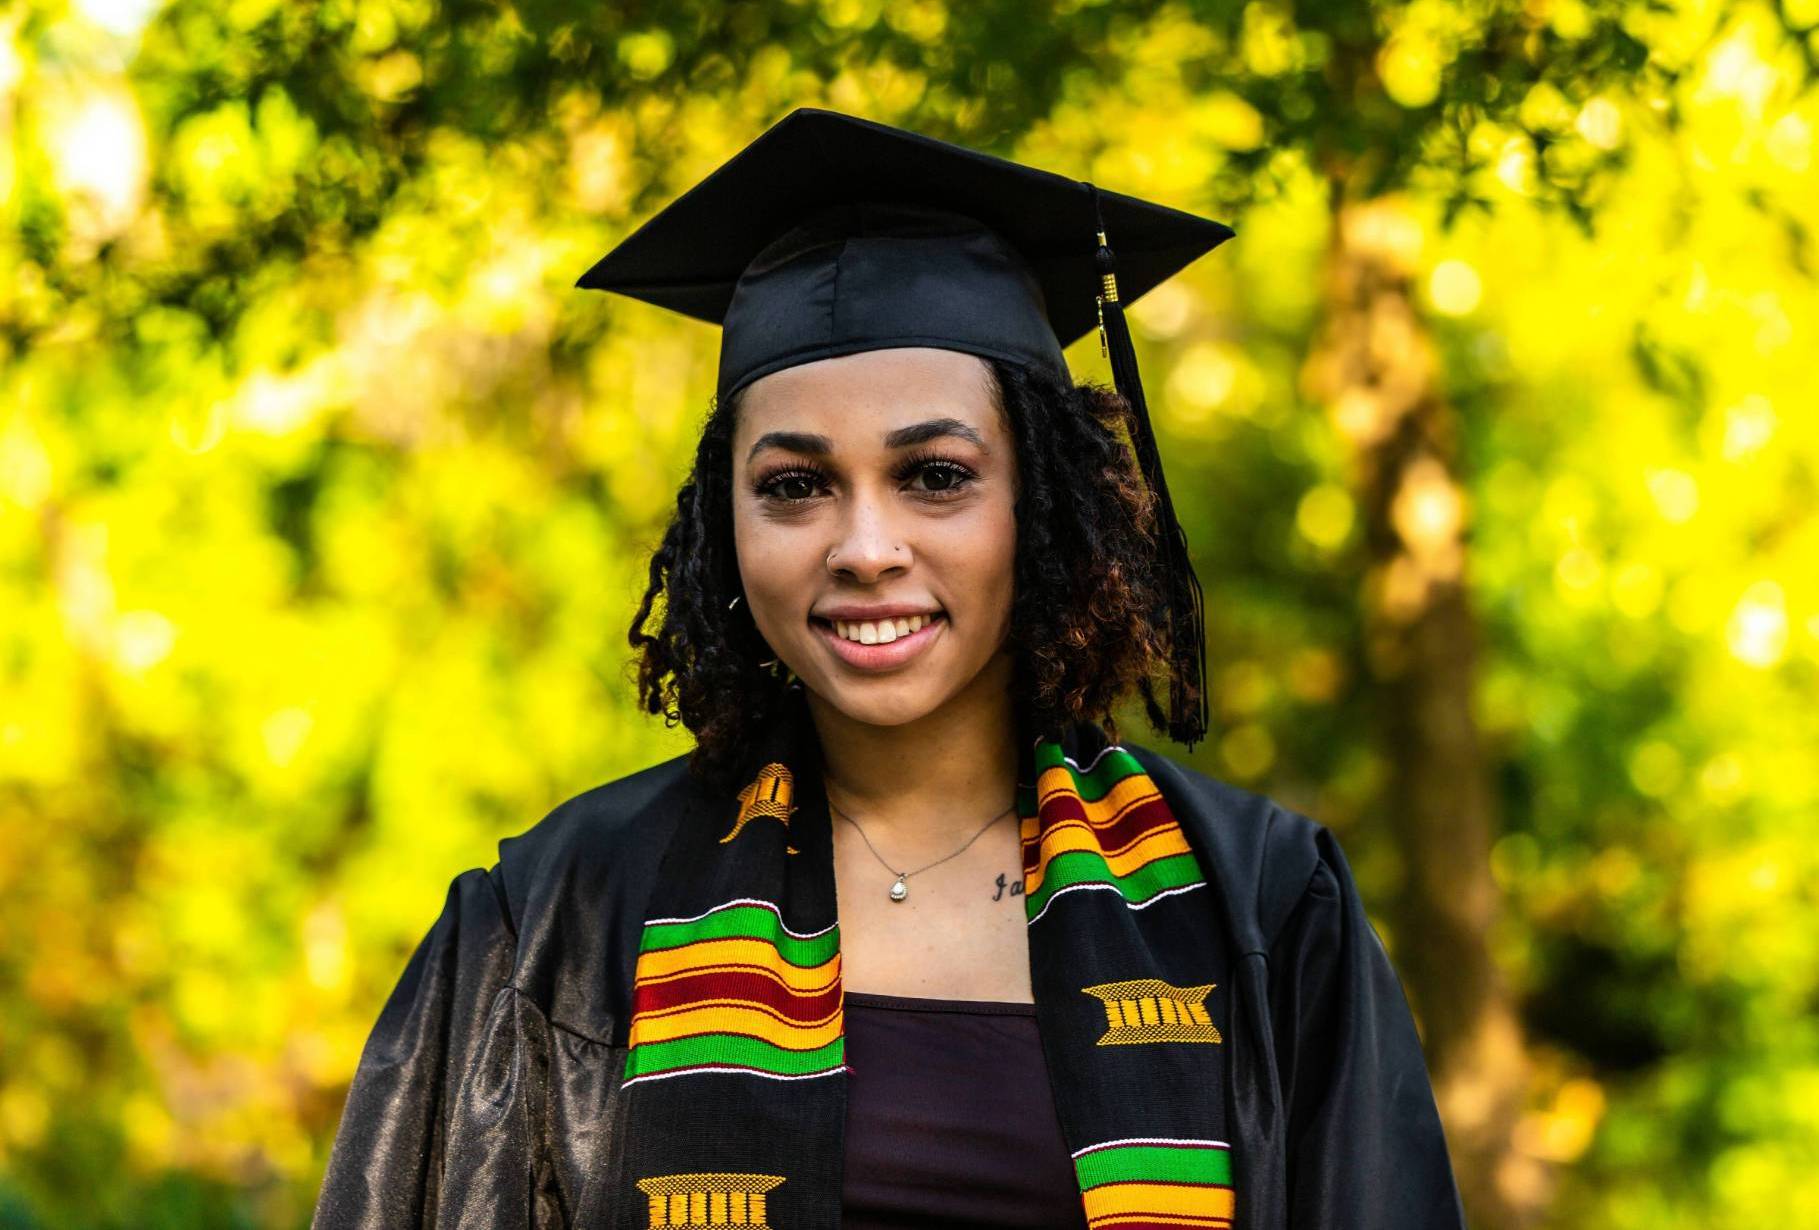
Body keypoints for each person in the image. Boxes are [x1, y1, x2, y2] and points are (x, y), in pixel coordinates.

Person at [310, 108, 1466, 1230]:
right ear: (726, 522)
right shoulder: (557, 921)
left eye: (935, 475)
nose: (865, 548)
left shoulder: (1253, 908)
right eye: (795, 486)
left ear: (1041, 508)